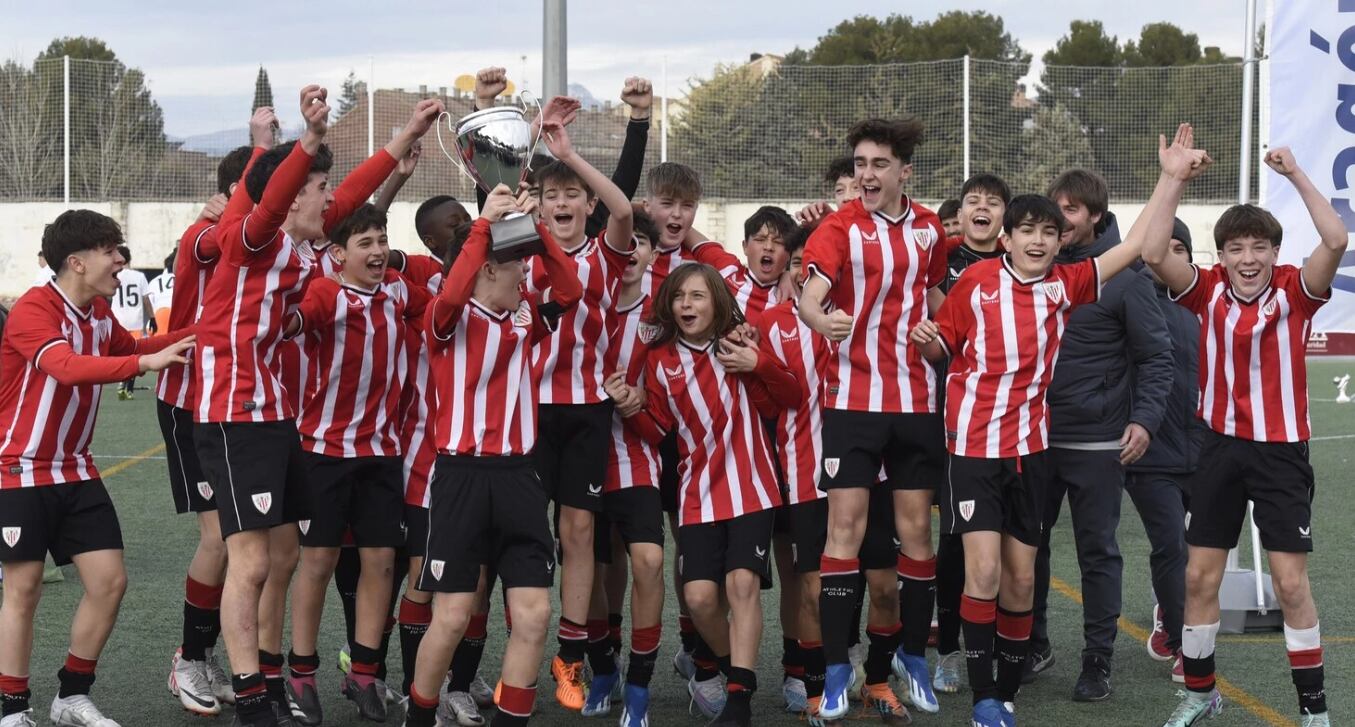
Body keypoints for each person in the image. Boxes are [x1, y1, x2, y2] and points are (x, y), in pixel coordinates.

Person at [909, 124, 1210, 727]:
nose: (1041, 240)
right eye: (1029, 231)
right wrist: (930, 346)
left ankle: (1011, 682)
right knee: (986, 571)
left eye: (1051, 231)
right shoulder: (974, 282)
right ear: (1008, 238)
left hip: (1032, 452)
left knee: (1022, 579)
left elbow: (1138, 249)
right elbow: (944, 346)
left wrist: (1170, 178)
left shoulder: (1068, 285)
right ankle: (985, 694)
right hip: (972, 451)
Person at [1146, 145, 1343, 727]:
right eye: (1236, 248)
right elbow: (1155, 251)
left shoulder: (1295, 291)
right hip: (1220, 449)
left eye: (1259, 246)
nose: (1248, 258)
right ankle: (1200, 693)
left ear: (1274, 252)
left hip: (1281, 453)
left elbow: (1335, 240)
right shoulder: (1206, 291)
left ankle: (1314, 711)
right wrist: (1172, 177)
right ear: (1222, 255)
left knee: (1288, 583)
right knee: (1199, 576)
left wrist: (1297, 173)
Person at [0, 210, 195, 727]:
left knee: (109, 582)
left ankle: (71, 696)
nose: (121, 261)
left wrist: (200, 334)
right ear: (76, 262)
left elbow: (133, 346)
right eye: (110, 251)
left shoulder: (98, 313)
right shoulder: (34, 309)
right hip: (18, 469)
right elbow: (64, 367)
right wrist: (141, 365)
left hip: (76, 470)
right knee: (23, 590)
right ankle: (13, 708)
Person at [403, 183, 581, 727]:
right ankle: (419, 715)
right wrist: (484, 225)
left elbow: (570, 292)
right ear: (485, 270)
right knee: (453, 615)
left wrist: (539, 231)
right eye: (515, 269)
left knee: (535, 613)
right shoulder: (446, 319)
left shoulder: (524, 316)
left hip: (519, 479)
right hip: (459, 478)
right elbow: (453, 294)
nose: (525, 277)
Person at [798, 117, 947, 720]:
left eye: (878, 164)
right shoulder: (839, 228)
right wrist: (820, 320)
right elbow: (809, 294)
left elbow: (939, 306)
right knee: (845, 531)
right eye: (859, 163)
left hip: (915, 403)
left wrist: (944, 341)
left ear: (903, 172)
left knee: (915, 534)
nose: (866, 174)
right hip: (853, 404)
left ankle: (914, 657)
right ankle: (837, 671)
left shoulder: (931, 230)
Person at [614, 263, 796, 727]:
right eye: (679, 297)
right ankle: (731, 667)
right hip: (697, 492)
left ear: (716, 299)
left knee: (740, 586)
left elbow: (784, 399)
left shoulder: (740, 342)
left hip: (753, 486)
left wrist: (760, 364)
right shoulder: (660, 360)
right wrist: (631, 407)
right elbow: (657, 430)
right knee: (697, 599)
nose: (687, 305)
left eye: (697, 296)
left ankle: (739, 698)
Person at [1025, 164, 1174, 702]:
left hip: (1096, 441)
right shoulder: (1023, 270)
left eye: (1070, 210)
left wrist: (1144, 420)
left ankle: (1097, 660)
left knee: (1097, 552)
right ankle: (1031, 644)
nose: (1059, 220)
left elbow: (1159, 358)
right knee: (1027, 550)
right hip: (1032, 438)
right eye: (1054, 207)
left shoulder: (1125, 278)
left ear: (1095, 218)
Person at [282, 204, 430, 724]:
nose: (376, 250)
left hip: (382, 455)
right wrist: (285, 315)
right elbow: (296, 319)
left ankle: (364, 671)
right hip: (322, 452)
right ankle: (301, 672)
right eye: (364, 242)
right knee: (318, 563)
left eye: (381, 239)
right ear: (339, 254)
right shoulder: (326, 292)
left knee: (381, 565)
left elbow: (444, 304)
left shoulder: (400, 291)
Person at [522, 98, 636, 713]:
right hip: (526, 413)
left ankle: (571, 657)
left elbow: (624, 206)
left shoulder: (604, 254)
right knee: (520, 538)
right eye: (551, 194)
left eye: (571, 194)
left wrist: (568, 156)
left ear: (585, 206)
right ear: (537, 205)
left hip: (587, 411)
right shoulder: (521, 250)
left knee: (580, 531)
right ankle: (506, 655)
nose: (562, 203)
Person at [159, 125, 265, 718]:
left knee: (250, 542)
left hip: (239, 407)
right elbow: (210, 248)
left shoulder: (261, 241)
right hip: (190, 403)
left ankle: (229, 659)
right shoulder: (203, 234)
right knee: (220, 537)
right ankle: (190, 659)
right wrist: (260, 148)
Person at [932, 172, 1012, 696]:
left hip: (1015, 427)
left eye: (993, 202)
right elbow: (948, 335)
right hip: (954, 421)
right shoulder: (941, 260)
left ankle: (1019, 648)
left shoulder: (1024, 261)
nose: (981, 208)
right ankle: (948, 652)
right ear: (960, 213)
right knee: (954, 543)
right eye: (972, 201)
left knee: (1022, 549)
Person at [585, 212, 665, 725]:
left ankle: (638, 686)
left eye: (642, 244)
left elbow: (670, 410)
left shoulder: (666, 313)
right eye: (625, 242)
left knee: (649, 563)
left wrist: (638, 403)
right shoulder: (582, 301)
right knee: (591, 568)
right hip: (583, 459)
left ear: (654, 255)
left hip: (637, 456)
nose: (632, 252)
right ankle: (601, 668)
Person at [1128, 218, 1203, 685]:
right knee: (1171, 546)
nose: (1169, 256)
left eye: (1180, 248)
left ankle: (1169, 609)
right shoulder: (1127, 302)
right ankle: (1183, 643)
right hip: (1151, 455)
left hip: (1208, 448)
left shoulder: (1207, 304)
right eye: (1162, 246)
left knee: (1204, 553)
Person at [111, 245, 153, 400]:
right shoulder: (139, 276)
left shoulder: (113, 275)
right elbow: (146, 299)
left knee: (121, 355)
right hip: (135, 321)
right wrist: (152, 318)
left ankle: (121, 383)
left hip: (118, 322)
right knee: (135, 355)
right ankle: (128, 389)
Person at [146, 251, 175, 335]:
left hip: (159, 315)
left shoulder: (154, 280)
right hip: (175, 316)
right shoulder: (183, 278)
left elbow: (149, 304)